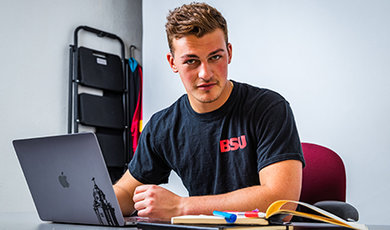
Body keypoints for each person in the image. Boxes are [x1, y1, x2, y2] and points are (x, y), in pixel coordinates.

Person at [114, 2, 305, 220]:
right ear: (173, 62)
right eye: (191, 61)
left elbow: (280, 202)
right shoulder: (162, 126)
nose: (205, 73)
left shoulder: (268, 108)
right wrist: (94, 200)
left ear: (229, 53)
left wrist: (181, 207)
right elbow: (127, 193)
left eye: (215, 57)